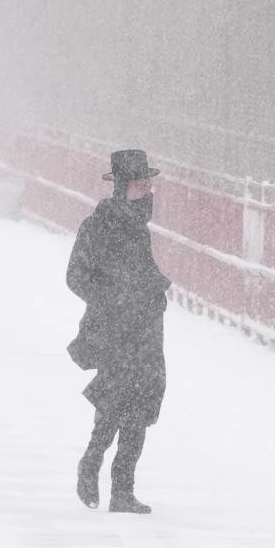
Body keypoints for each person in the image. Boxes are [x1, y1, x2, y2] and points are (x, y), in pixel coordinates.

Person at [66, 149, 171, 514]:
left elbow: (143, 275)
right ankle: (90, 465)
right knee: (114, 404)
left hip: (144, 332)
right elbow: (76, 277)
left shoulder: (140, 231)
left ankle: (123, 490)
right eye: (141, 186)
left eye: (149, 186)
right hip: (114, 330)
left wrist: (152, 299)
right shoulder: (97, 226)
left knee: (140, 409)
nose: (147, 193)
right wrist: (112, 302)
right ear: (123, 187)